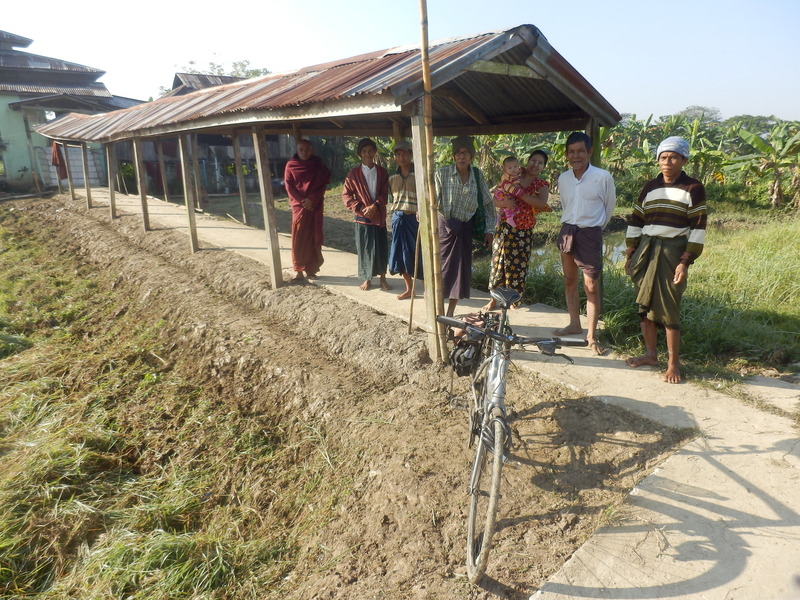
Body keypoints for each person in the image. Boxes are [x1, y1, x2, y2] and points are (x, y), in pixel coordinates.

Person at [624, 136, 707, 383]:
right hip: (645, 250)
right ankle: (650, 354)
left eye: (673, 157)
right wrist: (630, 252)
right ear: (657, 160)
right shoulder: (649, 187)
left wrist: (685, 261)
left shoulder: (693, 188)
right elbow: (636, 220)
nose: (667, 162)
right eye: (663, 157)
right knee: (644, 303)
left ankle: (673, 363)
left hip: (673, 250)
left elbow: (698, 227)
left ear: (683, 160)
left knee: (669, 305)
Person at [554, 132, 616, 355]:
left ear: (589, 152)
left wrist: (593, 227)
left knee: (590, 286)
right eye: (571, 152)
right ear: (567, 154)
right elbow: (565, 205)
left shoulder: (603, 177)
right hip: (567, 230)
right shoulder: (563, 178)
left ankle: (591, 335)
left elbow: (609, 208)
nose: (576, 156)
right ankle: (573, 323)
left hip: (590, 233)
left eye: (580, 151)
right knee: (570, 280)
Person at [435, 135, 496, 317]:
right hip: (445, 229)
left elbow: (488, 204)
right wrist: (422, 216)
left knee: (460, 272)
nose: (462, 156)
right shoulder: (443, 173)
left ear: (471, 156)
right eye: (459, 153)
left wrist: (489, 229)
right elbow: (432, 200)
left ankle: (450, 312)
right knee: (440, 270)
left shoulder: (477, 175)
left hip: (465, 229)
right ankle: (438, 309)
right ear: (454, 156)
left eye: (466, 153)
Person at [483, 151, 552, 311]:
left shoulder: (541, 185)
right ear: (527, 161)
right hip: (505, 227)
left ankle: (513, 300)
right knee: (498, 263)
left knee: (518, 266)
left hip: (524, 230)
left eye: (540, 163)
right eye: (533, 160)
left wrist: (519, 194)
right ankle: (493, 300)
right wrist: (503, 203)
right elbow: (495, 198)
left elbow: (541, 203)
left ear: (543, 167)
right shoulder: (512, 173)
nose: (535, 164)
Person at [342, 138, 391, 291]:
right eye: (364, 151)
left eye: (370, 150)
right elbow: (346, 196)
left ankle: (383, 279)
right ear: (359, 154)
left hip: (379, 216)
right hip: (362, 217)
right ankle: (367, 279)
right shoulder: (353, 173)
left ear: (375, 152)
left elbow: (385, 193)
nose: (367, 154)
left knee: (381, 248)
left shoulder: (382, 172)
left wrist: (375, 206)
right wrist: (362, 208)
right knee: (365, 249)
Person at [283, 139, 331, 283]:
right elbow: (289, 186)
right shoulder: (291, 165)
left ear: (312, 150)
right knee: (299, 238)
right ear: (297, 150)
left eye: (307, 149)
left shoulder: (317, 165)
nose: (304, 152)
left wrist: (311, 199)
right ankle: (298, 271)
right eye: (301, 149)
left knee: (313, 237)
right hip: (299, 206)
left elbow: (322, 185)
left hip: (315, 205)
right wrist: (302, 201)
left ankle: (311, 269)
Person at [387, 140, 422, 300]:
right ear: (395, 157)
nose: (401, 157)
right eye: (398, 154)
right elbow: (390, 199)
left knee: (418, 253)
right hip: (398, 219)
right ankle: (409, 289)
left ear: (411, 155)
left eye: (404, 153)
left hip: (415, 220)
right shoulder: (392, 177)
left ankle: (426, 288)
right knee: (400, 255)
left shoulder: (419, 175)